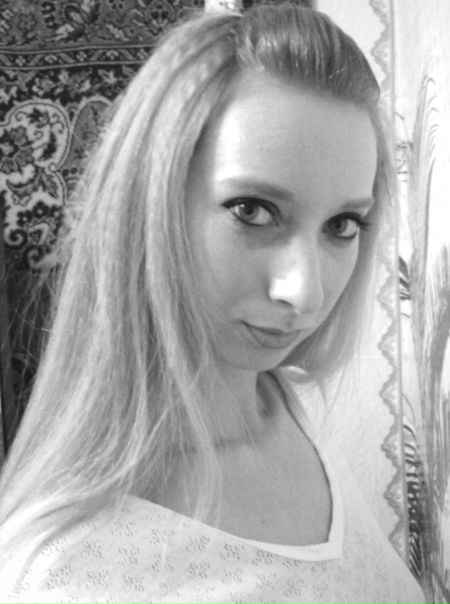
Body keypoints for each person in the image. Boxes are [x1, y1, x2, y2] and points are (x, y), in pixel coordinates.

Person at [0, 3, 426, 602]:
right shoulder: (63, 576)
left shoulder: (288, 402)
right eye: (252, 211)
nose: (305, 293)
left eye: (342, 225)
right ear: (148, 208)